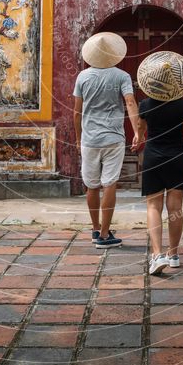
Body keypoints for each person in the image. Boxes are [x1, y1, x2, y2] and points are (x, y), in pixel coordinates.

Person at [135, 51, 183, 275]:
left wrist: (138, 139)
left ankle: (156, 255)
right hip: (178, 157)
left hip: (153, 156)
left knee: (153, 206)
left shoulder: (145, 104)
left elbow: (140, 132)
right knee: (175, 208)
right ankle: (173, 254)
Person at [73, 31, 139, 249]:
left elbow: (76, 113)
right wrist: (137, 131)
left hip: (89, 139)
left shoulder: (83, 77)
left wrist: (77, 138)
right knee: (109, 183)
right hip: (114, 138)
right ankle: (104, 234)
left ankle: (95, 229)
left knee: (91, 186)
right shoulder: (121, 76)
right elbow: (130, 102)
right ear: (114, 54)